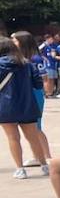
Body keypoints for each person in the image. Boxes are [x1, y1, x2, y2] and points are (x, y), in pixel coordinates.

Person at [1, 36, 49, 179]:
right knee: (33, 137)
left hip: (5, 106)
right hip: (28, 105)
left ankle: (20, 169)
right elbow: (38, 85)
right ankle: (44, 166)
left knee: (13, 138)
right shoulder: (27, 64)